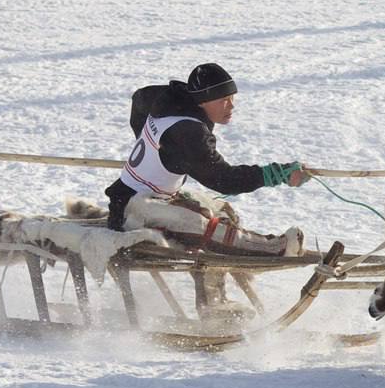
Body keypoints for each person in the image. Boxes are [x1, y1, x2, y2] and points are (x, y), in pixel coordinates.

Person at [104, 63, 310, 314]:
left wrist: (154, 144)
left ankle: (213, 304)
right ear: (202, 101)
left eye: (232, 98)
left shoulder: (165, 99)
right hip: (132, 209)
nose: (231, 106)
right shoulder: (189, 132)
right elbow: (224, 180)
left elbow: (139, 99)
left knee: (222, 213)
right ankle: (275, 248)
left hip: (149, 197)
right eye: (224, 100)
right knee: (201, 226)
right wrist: (276, 174)